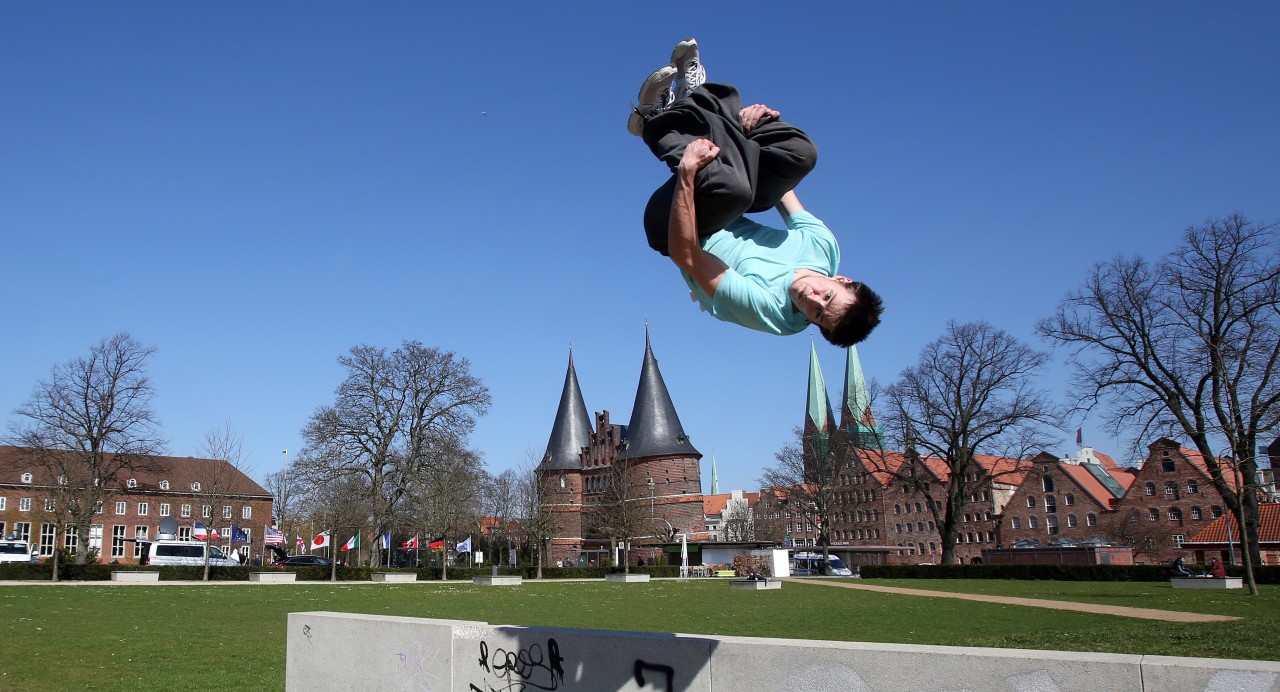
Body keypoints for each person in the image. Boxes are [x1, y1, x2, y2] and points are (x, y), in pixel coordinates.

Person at [630, 39, 883, 346]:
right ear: (841, 280)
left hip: (677, 230)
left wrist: (686, 171)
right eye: (827, 296)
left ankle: (656, 120)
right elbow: (781, 189)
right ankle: (693, 96)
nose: (811, 298)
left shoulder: (770, 311)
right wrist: (756, 131)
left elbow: (685, 254)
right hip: (728, 206)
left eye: (816, 313)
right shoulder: (823, 249)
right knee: (801, 155)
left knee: (732, 190)